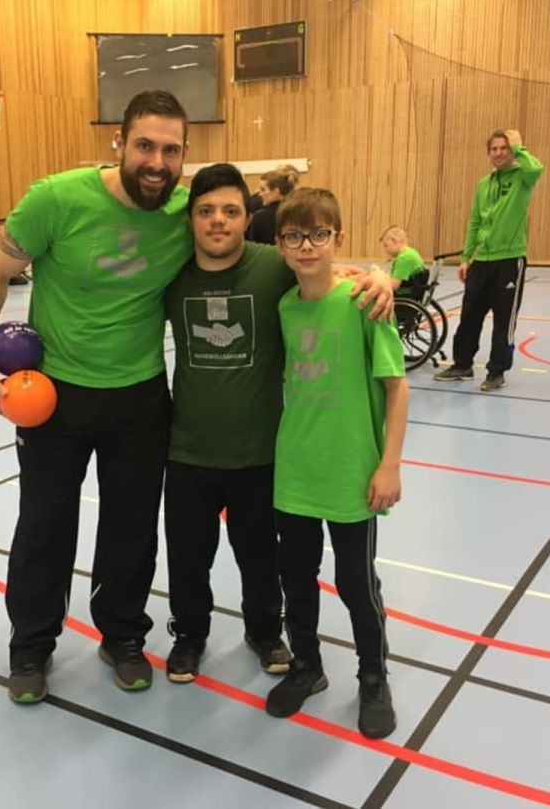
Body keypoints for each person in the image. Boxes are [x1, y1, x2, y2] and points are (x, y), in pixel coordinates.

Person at [0, 90, 194, 704]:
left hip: (140, 399)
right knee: (44, 525)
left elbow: (277, 240)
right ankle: (30, 650)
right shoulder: (57, 198)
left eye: (170, 150)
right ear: (119, 143)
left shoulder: (186, 210)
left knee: (131, 529)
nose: (157, 161)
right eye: (145, 145)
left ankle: (122, 636)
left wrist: (375, 272)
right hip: (53, 398)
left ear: (184, 156)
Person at [163, 165, 395, 684]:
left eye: (230, 211)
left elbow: (325, 265)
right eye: (205, 211)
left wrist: (381, 274)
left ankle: (267, 632)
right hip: (188, 450)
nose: (218, 221)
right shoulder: (172, 272)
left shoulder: (273, 267)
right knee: (187, 558)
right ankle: (189, 638)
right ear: (192, 221)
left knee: (263, 561)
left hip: (262, 452)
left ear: (249, 219)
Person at [264, 187, 409, 741]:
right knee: (296, 581)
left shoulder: (364, 303)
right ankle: (307, 667)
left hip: (352, 474)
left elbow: (397, 389)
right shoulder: (283, 307)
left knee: (356, 584)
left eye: (319, 234)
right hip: (295, 471)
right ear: (280, 244)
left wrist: (389, 464)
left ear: (337, 239)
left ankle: (373, 678)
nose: (307, 246)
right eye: (295, 236)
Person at [434, 129, 544, 391]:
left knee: (504, 319)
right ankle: (463, 364)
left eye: (503, 148)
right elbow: (474, 221)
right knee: (470, 314)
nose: (498, 153)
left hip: (508, 260)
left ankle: (497, 371)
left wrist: (520, 148)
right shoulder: (484, 184)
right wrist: (465, 258)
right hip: (480, 261)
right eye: (494, 149)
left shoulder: (522, 178)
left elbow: (537, 169)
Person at [245, 165, 300, 245]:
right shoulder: (300, 212)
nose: (259, 194)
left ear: (276, 191)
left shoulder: (260, 218)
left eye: (263, 190)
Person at [379, 225, 427, 299]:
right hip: (410, 293)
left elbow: (393, 286)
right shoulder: (410, 252)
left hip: (404, 297)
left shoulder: (404, 258)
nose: (386, 250)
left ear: (394, 241)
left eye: (386, 246)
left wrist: (378, 279)